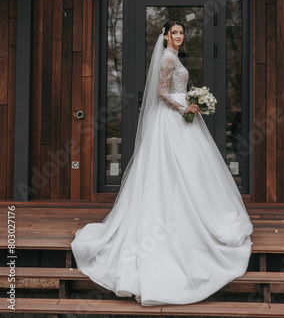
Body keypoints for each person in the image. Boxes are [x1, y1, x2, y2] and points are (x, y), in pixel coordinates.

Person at [71, 20, 253, 306]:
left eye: (181, 33)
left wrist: (193, 100)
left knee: (189, 169)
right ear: (166, 36)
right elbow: (160, 93)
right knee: (172, 167)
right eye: (174, 33)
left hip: (181, 118)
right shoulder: (168, 58)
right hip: (173, 119)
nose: (179, 37)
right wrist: (186, 106)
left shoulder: (174, 57)